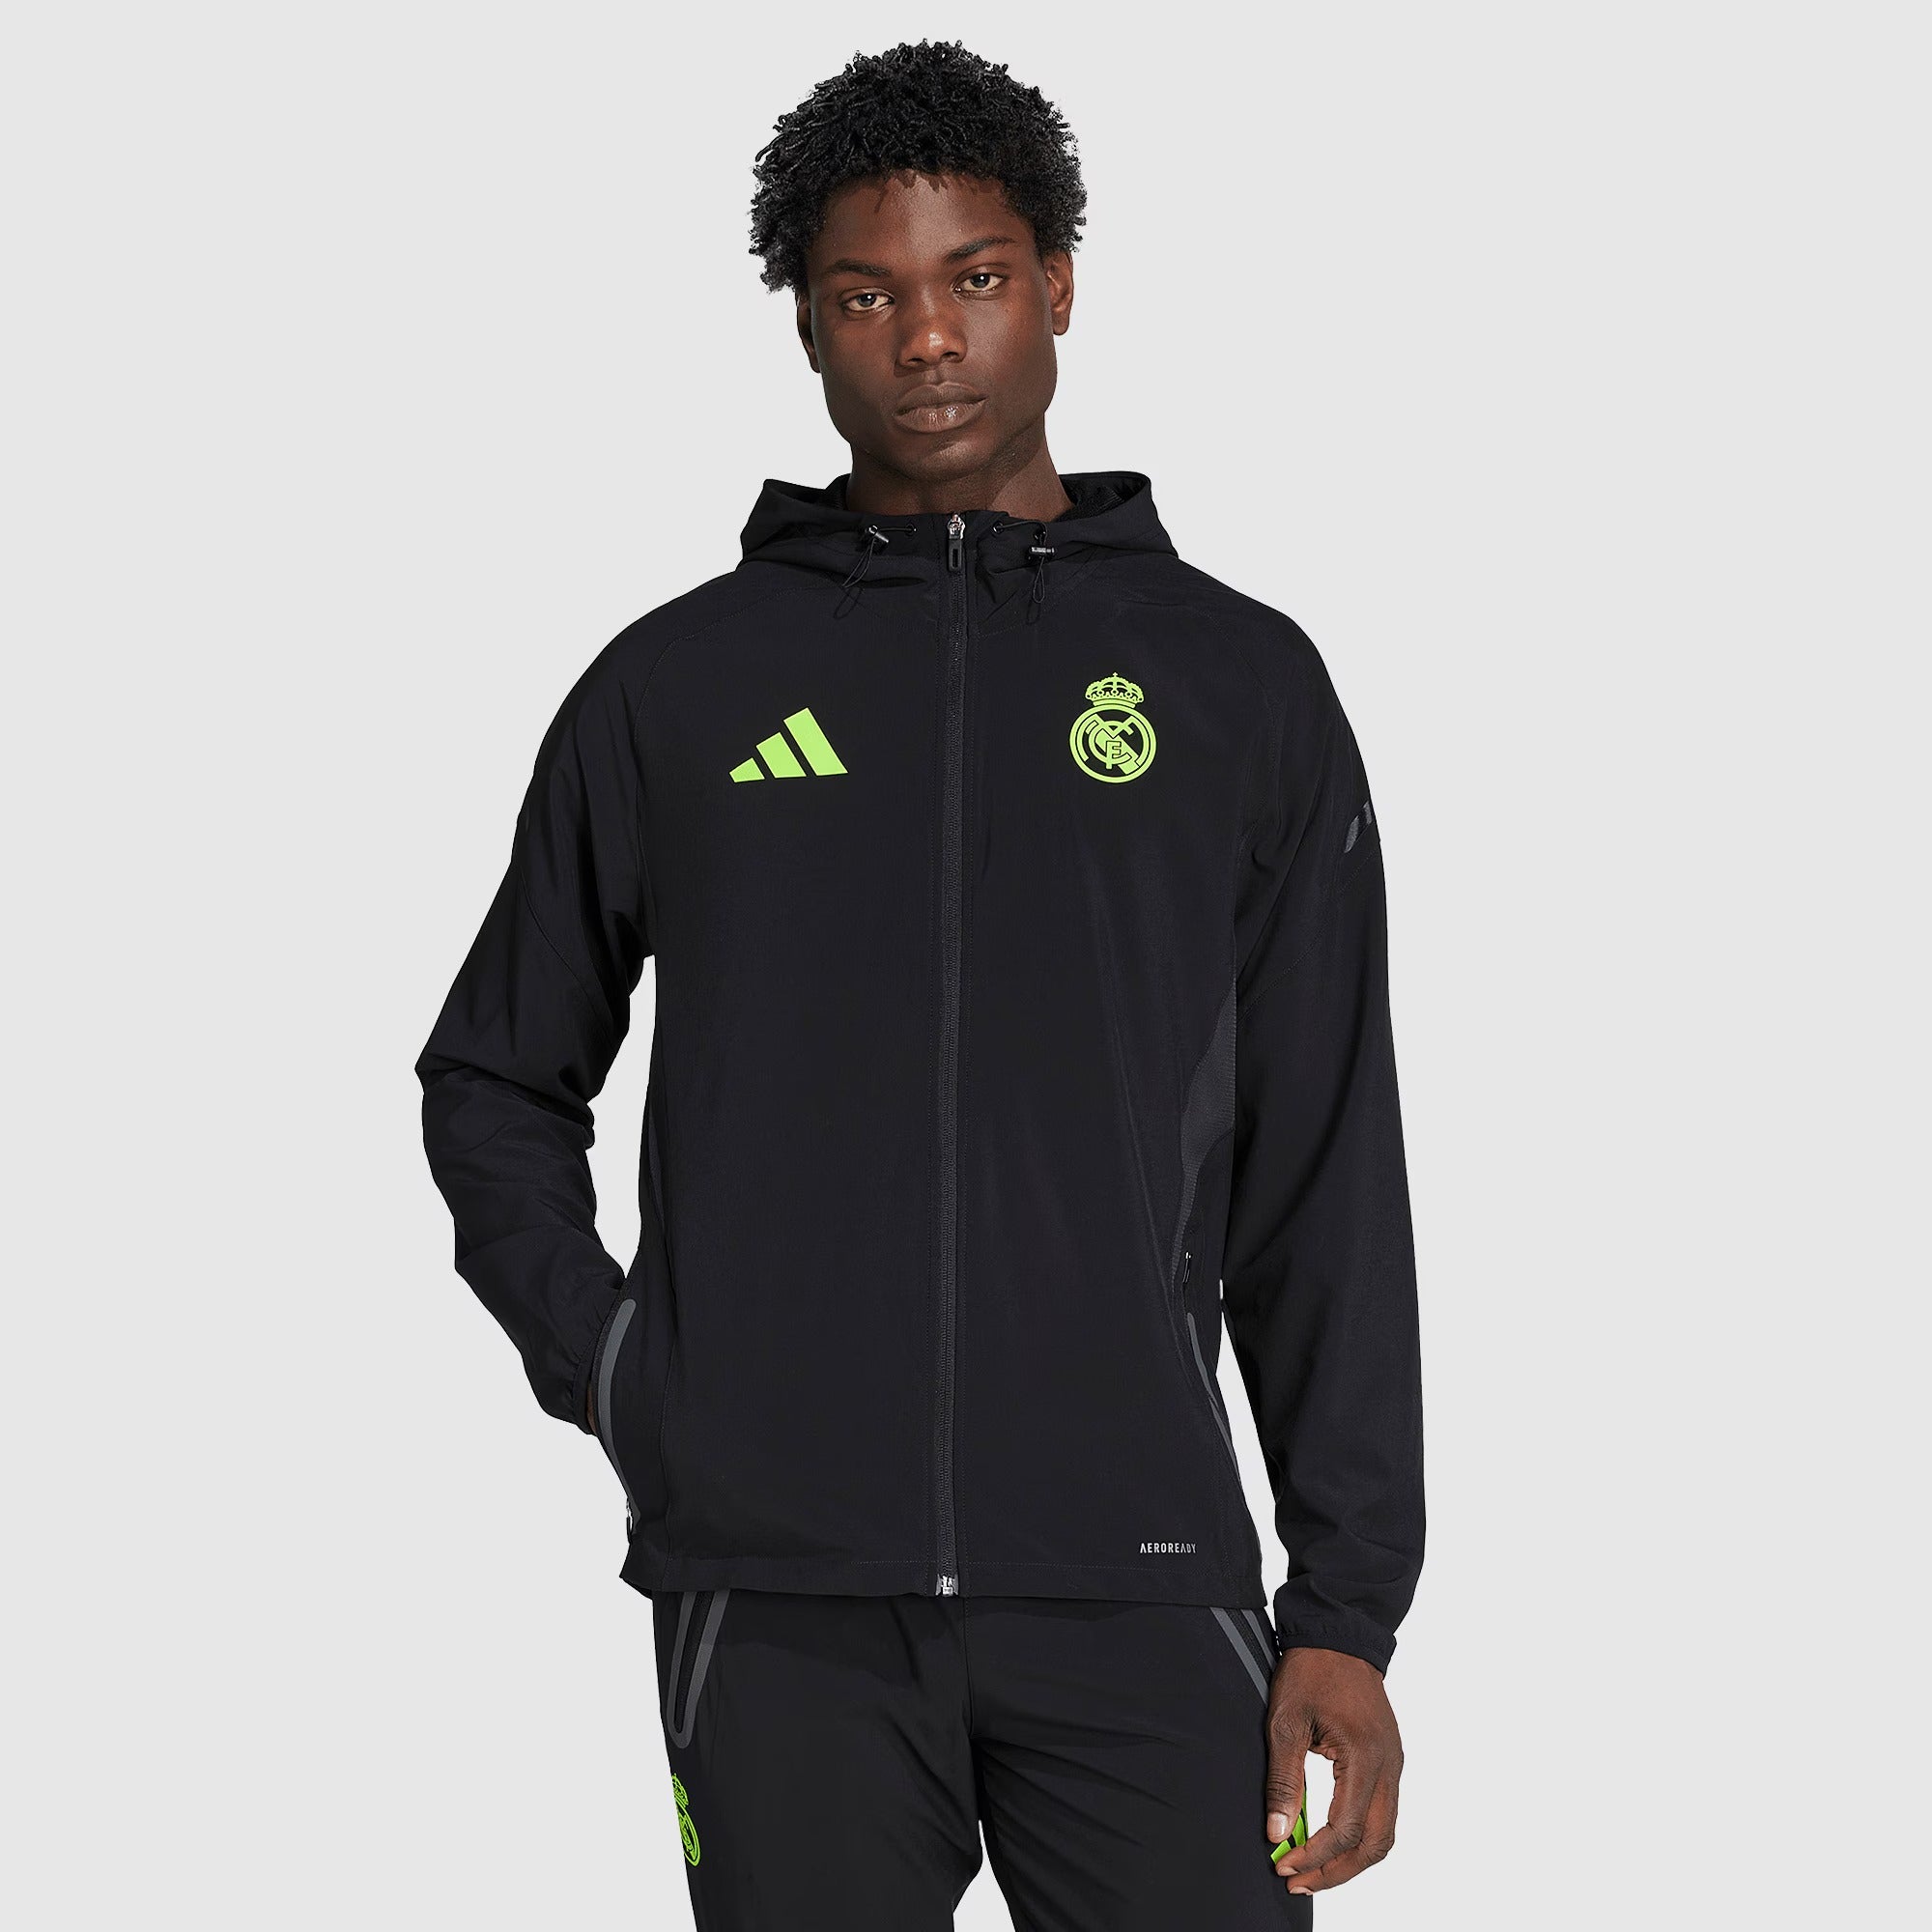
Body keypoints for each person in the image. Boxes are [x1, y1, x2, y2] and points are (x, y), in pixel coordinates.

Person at [417, 39, 1423, 1928]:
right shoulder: (679, 688)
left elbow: (1324, 1166)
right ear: (808, 321)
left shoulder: (1238, 687)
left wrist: (1347, 1608)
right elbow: (493, 1077)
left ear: (1058, 285)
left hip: (1138, 1579)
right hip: (779, 1597)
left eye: (975, 276)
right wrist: (627, 1372)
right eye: (865, 293)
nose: (929, 338)